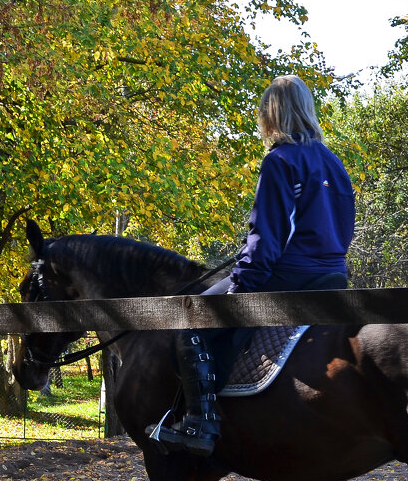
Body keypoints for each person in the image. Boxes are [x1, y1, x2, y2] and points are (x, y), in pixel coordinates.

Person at [149, 75, 356, 456]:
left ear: (272, 113)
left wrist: (243, 283)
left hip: (287, 275)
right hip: (331, 275)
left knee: (190, 321)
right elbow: (343, 228)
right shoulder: (334, 162)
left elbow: (269, 234)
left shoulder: (280, 161)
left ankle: (200, 422)